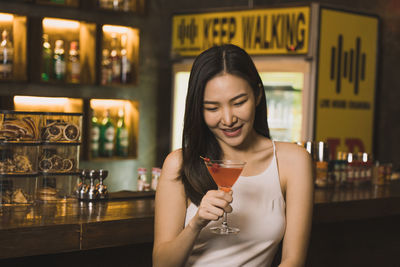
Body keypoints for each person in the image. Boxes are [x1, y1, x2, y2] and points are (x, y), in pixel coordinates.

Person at [153, 44, 313, 267]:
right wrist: (196, 224)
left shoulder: (293, 161)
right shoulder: (179, 163)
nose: (228, 119)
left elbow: (293, 260)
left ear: (257, 95)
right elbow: (161, 264)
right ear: (198, 110)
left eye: (238, 103)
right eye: (212, 108)